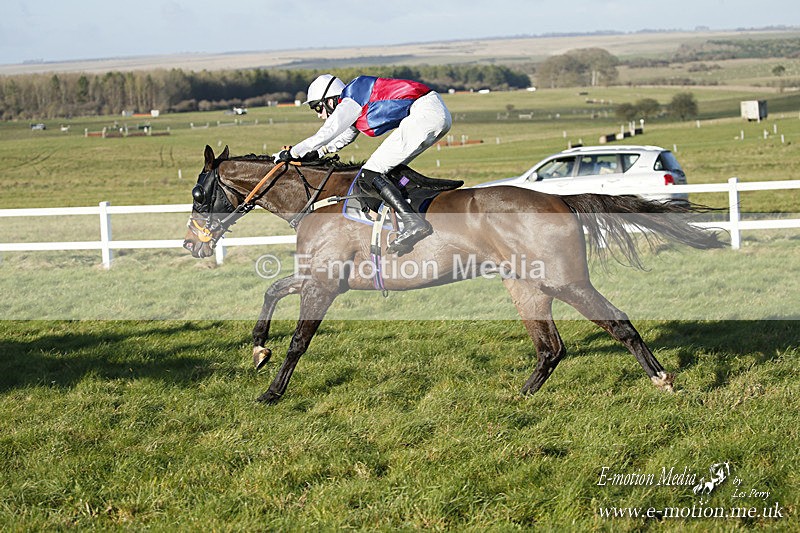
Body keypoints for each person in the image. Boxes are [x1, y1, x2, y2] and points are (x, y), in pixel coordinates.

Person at [274, 74, 452, 256]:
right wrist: (318, 153)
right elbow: (344, 137)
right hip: (433, 113)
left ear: (330, 99)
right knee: (388, 172)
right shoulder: (355, 102)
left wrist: (293, 152)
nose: (320, 115)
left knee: (370, 173)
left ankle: (413, 222)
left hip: (425, 114)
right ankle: (413, 205)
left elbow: (327, 132)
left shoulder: (350, 99)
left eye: (318, 107)